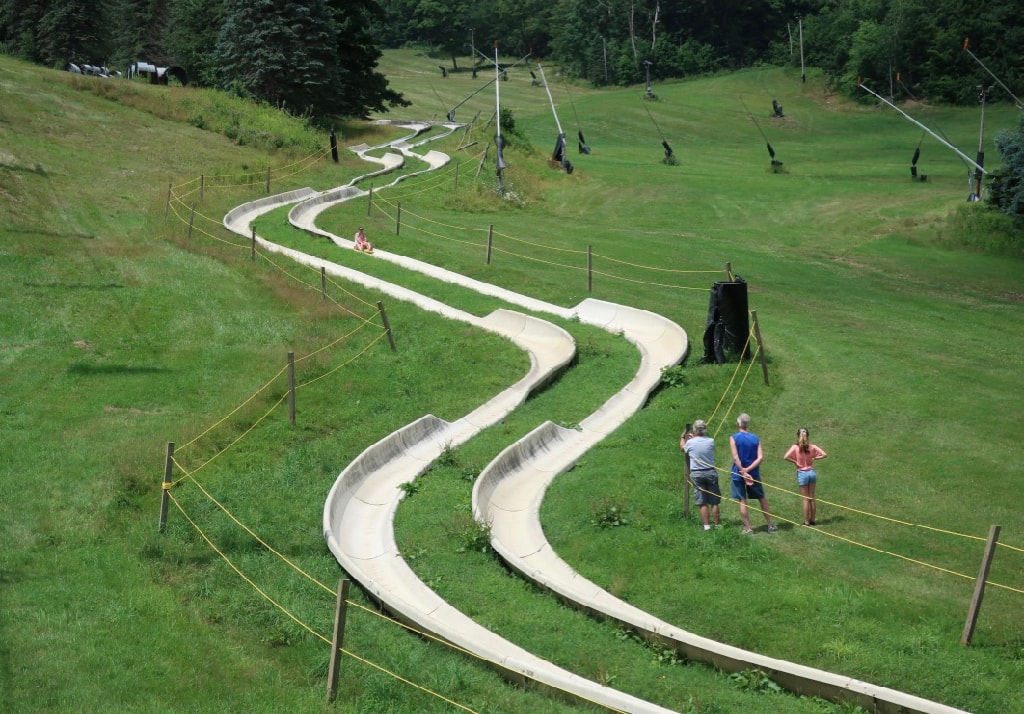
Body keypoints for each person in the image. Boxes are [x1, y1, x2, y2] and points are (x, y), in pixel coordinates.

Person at [729, 412, 776, 534]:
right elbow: (760, 458)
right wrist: (749, 470)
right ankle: (770, 525)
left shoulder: (733, 437)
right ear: (748, 424)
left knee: (742, 500)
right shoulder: (755, 438)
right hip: (753, 474)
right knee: (761, 498)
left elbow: (735, 457)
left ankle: (748, 528)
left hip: (738, 473)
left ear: (738, 423)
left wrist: (743, 471)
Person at [680, 419, 720, 531]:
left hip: (697, 473)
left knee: (702, 501)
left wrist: (683, 437)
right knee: (714, 501)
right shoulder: (711, 441)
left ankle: (707, 526)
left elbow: (682, 448)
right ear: (705, 429)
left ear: (694, 430)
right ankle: (717, 525)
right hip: (710, 472)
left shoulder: (690, 443)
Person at [783, 428, 827, 526]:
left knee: (805, 498)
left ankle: (806, 521)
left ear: (798, 436)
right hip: (811, 472)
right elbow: (824, 454)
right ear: (808, 436)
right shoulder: (812, 447)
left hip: (802, 473)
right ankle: (813, 520)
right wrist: (814, 458)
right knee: (812, 497)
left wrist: (795, 462)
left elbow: (785, 457)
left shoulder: (795, 447)